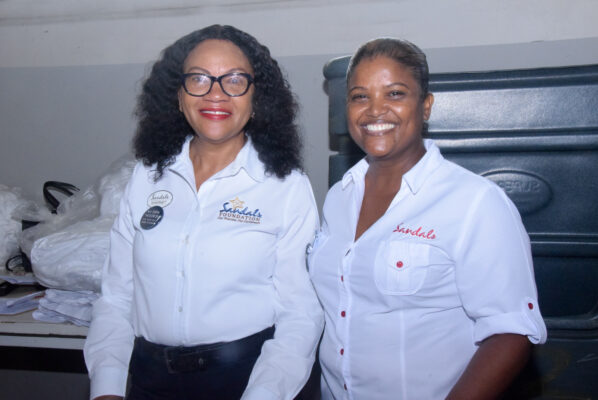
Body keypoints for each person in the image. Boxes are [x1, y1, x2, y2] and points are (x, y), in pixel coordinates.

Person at [84, 24, 323, 400]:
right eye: (198, 79)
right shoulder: (147, 178)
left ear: (256, 96)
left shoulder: (286, 186)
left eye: (234, 80)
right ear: (178, 96)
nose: (216, 93)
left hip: (247, 381)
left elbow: (301, 314)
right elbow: (116, 297)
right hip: (149, 382)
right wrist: (107, 387)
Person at [308, 38, 547, 399]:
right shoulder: (340, 196)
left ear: (426, 106)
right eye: (360, 96)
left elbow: (511, 333)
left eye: (395, 94)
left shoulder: (474, 203)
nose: (375, 111)